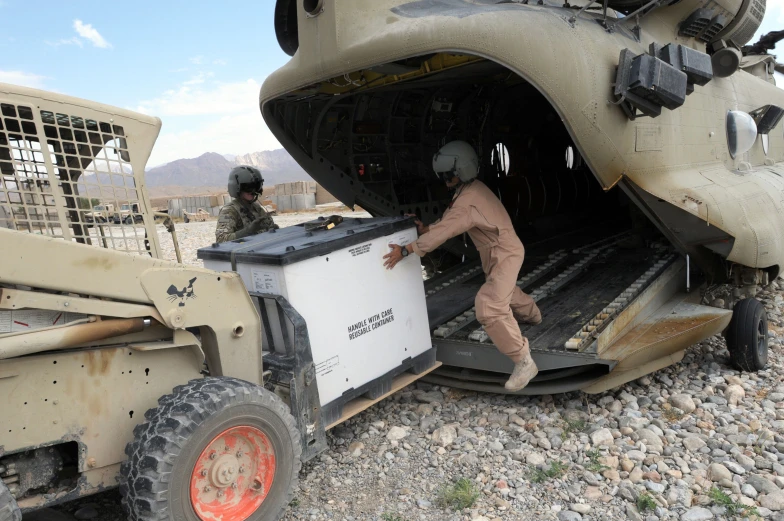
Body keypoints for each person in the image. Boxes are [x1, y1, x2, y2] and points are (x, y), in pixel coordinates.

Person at [382, 140, 541, 392]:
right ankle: (533, 314)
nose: (445, 180)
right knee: (503, 290)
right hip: (496, 251)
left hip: (504, 252)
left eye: (448, 175)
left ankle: (523, 361)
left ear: (461, 172)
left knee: (489, 305)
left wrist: (408, 249)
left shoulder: (468, 199)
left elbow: (447, 229)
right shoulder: (469, 190)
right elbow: (449, 221)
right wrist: (426, 229)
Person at [215, 165, 278, 243]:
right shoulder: (229, 211)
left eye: (256, 186)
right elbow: (221, 239)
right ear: (237, 188)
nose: (252, 191)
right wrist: (248, 231)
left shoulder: (257, 208)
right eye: (248, 187)